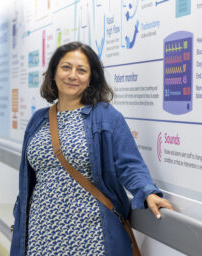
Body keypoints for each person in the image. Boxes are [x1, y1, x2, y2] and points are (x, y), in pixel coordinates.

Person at [10, 42, 173, 256]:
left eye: (81, 70)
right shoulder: (38, 120)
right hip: (42, 229)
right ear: (54, 73)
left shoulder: (105, 116)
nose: (72, 75)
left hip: (91, 232)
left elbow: (129, 163)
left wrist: (148, 192)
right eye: (66, 67)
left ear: (91, 79)